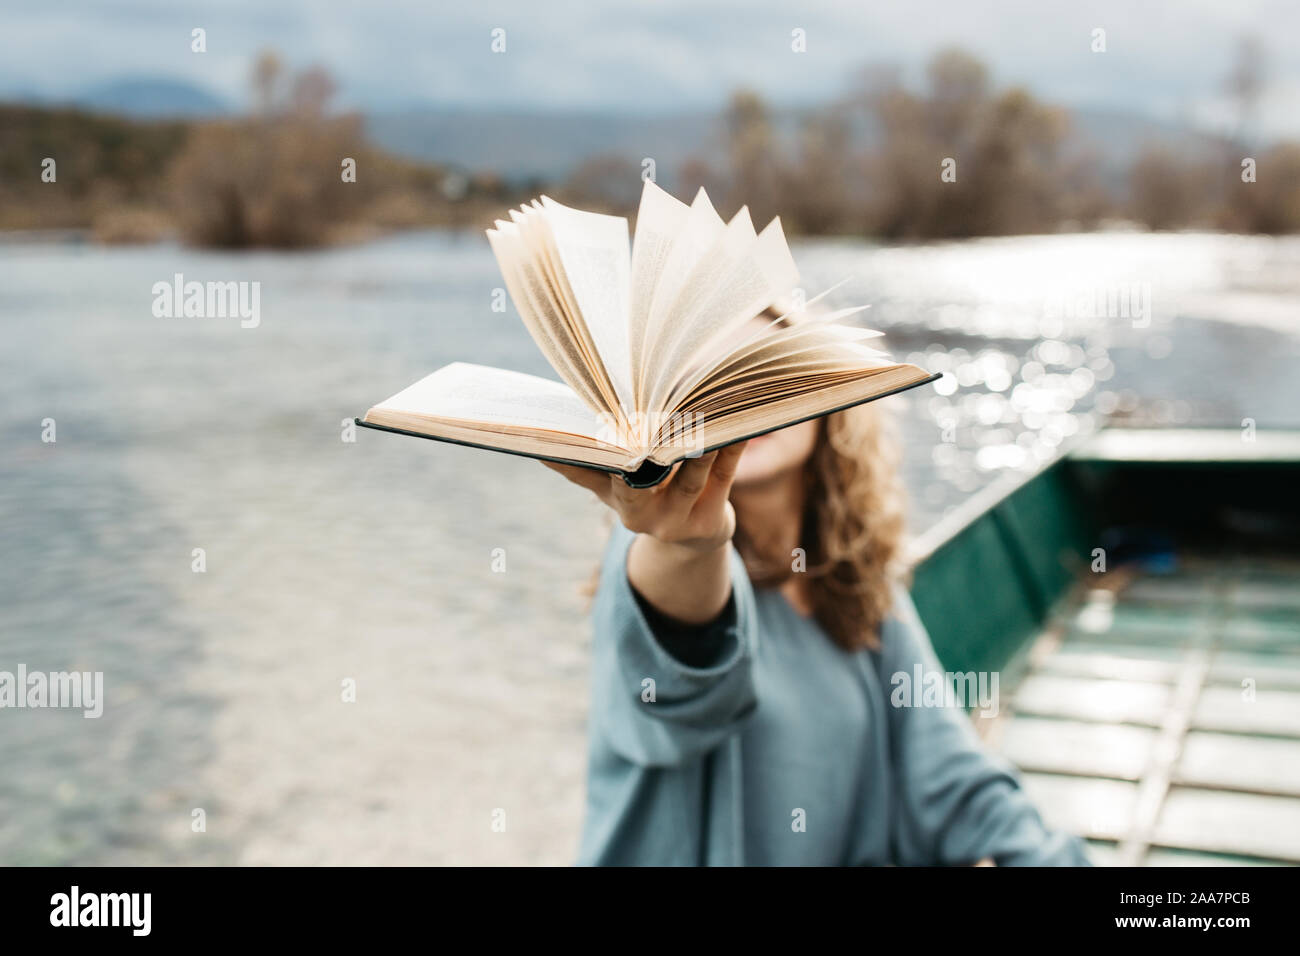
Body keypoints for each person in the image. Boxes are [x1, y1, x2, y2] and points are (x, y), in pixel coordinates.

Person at [544, 335, 1091, 867]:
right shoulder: (651, 551)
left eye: (764, 369)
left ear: (829, 397)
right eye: (710, 380)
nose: (740, 395)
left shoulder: (862, 585)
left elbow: (953, 777)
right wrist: (686, 542)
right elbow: (681, 668)